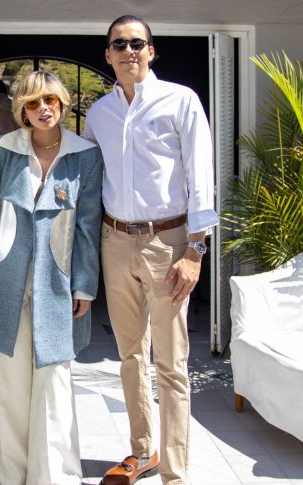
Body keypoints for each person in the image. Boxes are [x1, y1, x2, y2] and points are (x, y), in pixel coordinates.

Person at [83, 15, 218, 485]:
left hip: (169, 242)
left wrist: (195, 250)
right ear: (107, 54)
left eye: (137, 43)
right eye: (118, 43)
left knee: (171, 363)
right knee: (130, 356)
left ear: (151, 51)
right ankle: (143, 453)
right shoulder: (99, 113)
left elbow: (202, 175)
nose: (128, 50)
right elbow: (88, 177)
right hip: (115, 240)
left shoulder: (180, 101)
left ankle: (176, 474)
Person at [0, 70, 103, 485]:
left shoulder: (86, 155)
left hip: (57, 287)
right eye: (32, 103)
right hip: (4, 288)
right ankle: (12, 476)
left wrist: (84, 284)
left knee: (53, 388)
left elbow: (88, 224)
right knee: (6, 389)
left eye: (50, 100)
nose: (43, 109)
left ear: (63, 104)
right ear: (21, 111)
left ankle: (54, 478)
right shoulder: (1, 150)